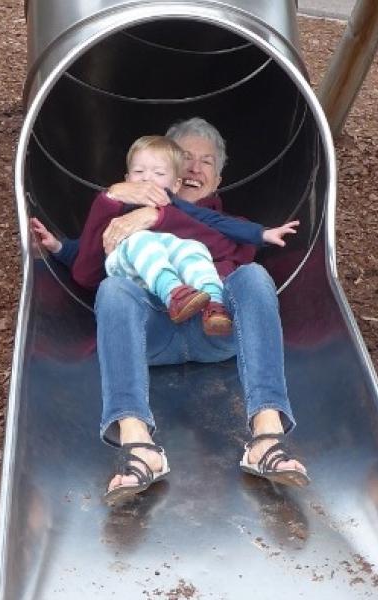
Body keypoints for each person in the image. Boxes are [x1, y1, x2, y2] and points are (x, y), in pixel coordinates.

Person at [31, 117, 310, 506]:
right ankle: (137, 444)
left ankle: (267, 434)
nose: (196, 168)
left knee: (253, 278)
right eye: (186, 158)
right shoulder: (122, 218)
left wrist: (159, 216)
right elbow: (88, 273)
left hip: (216, 329)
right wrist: (110, 200)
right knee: (114, 288)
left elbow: (218, 240)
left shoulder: (235, 226)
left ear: (219, 176)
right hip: (152, 334)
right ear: (172, 173)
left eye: (207, 161)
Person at [33, 134, 299, 337]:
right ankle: (174, 293)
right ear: (126, 178)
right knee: (141, 241)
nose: (147, 178)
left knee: (191, 252)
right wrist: (59, 247)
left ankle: (213, 304)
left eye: (158, 173)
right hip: (145, 307)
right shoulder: (117, 211)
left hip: (203, 328)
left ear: (175, 184)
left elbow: (214, 223)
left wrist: (262, 233)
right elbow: (85, 255)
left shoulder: (176, 206)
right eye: (139, 172)